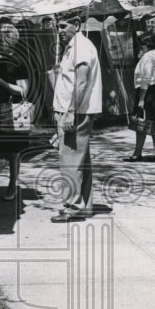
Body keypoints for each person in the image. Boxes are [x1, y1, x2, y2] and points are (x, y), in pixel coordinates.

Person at [51, 14, 103, 222]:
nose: (60, 31)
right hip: (73, 110)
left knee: (70, 160)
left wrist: (71, 111)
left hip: (75, 112)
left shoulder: (81, 46)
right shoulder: (74, 46)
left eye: (63, 26)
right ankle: (86, 204)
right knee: (81, 160)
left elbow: (81, 82)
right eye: (57, 27)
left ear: (76, 24)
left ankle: (73, 206)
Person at [0, 20, 30, 200]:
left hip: (12, 111)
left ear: (11, 40)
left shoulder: (18, 62)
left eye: (2, 37)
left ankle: (12, 187)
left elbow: (23, 90)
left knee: (13, 151)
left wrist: (3, 84)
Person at [127, 32, 155, 162]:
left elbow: (146, 77)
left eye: (142, 45)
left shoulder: (148, 57)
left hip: (148, 91)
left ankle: (137, 152)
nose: (140, 48)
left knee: (141, 122)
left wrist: (141, 99)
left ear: (146, 45)